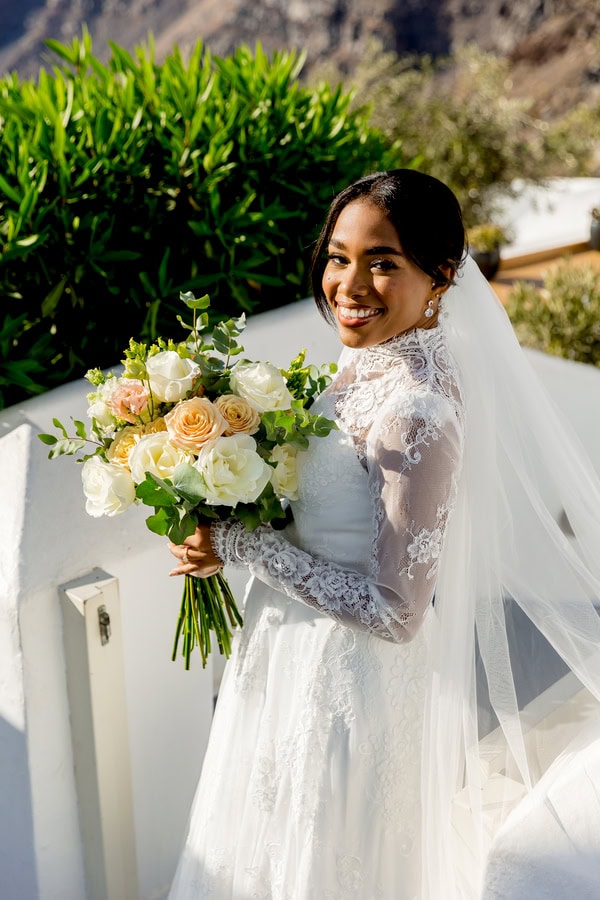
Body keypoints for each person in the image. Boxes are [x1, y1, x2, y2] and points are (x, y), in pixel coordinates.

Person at [167, 170, 600, 899]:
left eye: (383, 262)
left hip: (348, 684)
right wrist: (231, 512)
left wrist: (242, 547)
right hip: (287, 653)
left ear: (441, 276)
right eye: (339, 256)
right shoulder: (364, 364)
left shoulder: (419, 408)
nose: (350, 283)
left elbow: (397, 612)